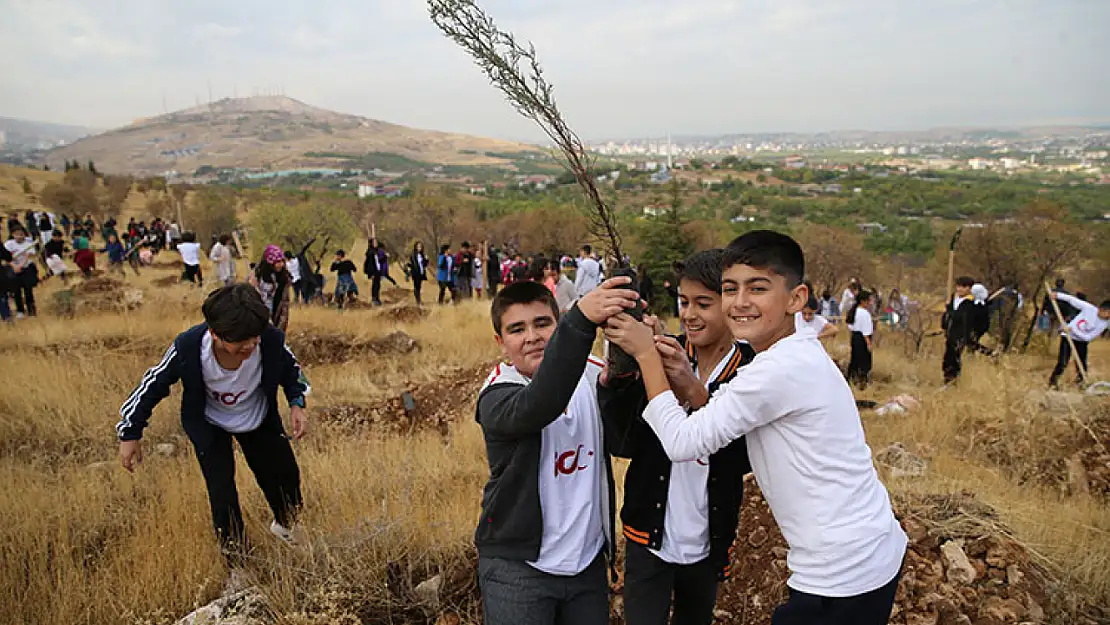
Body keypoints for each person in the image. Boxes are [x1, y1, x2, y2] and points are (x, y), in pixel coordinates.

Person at [604, 230, 907, 625]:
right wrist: (688, 385)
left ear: (796, 299)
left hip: (843, 573)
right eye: (731, 289)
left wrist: (645, 354)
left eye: (758, 288)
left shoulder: (775, 370)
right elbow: (724, 418)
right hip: (862, 555)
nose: (741, 302)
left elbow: (682, 442)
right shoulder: (793, 354)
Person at [599, 249, 756, 625]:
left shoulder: (752, 372)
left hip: (707, 541)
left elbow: (744, 459)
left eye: (704, 303)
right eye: (683, 302)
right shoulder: (662, 354)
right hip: (647, 537)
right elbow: (623, 442)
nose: (689, 314)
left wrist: (692, 389)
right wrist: (622, 373)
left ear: (732, 304)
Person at [474, 278, 639, 625]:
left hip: (586, 565)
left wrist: (626, 373)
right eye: (517, 329)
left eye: (542, 323)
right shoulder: (497, 396)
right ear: (500, 342)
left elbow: (626, 442)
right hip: (518, 570)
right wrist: (580, 322)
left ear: (556, 322)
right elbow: (540, 404)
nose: (532, 336)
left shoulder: (594, 375)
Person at [116, 284, 310, 567]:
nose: (249, 346)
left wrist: (296, 402)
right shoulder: (189, 347)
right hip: (210, 424)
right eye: (241, 341)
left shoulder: (269, 340)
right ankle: (238, 564)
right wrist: (130, 432)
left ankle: (286, 526)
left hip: (257, 418)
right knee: (222, 493)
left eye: (254, 339)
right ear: (215, 333)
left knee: (286, 478)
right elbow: (152, 385)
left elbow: (293, 371)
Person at [1047, 291, 1110, 388]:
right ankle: (1053, 383)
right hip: (1067, 337)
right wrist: (1058, 295)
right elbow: (1072, 300)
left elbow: (1088, 337)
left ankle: (1081, 384)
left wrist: (1072, 330)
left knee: (1081, 364)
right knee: (1063, 362)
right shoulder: (1089, 308)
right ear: (1103, 310)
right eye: (1108, 313)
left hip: (1081, 341)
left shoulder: (1105, 323)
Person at [250, 245, 292, 333]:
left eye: (281, 261)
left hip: (275, 314)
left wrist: (281, 324)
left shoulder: (283, 278)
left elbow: (284, 302)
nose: (281, 264)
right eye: (277, 262)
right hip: (258, 314)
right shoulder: (258, 275)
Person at [942, 277, 976, 384]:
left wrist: (950, 311)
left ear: (969, 288)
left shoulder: (970, 302)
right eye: (958, 286)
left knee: (954, 357)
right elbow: (947, 315)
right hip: (950, 332)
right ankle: (947, 378)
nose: (960, 289)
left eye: (963, 287)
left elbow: (960, 316)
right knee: (947, 356)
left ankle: (952, 380)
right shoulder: (953, 297)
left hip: (961, 333)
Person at [4, 226, 38, 318]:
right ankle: (20, 310)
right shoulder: (9, 244)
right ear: (13, 235)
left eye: (21, 234)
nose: (19, 236)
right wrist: (14, 266)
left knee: (28, 290)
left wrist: (20, 266)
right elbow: (6, 257)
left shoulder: (29, 244)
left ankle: (31, 311)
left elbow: (28, 257)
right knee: (16, 291)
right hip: (13, 269)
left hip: (26, 268)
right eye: (17, 234)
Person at [846, 290, 875, 388]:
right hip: (862, 339)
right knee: (864, 361)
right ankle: (862, 381)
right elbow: (866, 331)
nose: (870, 303)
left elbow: (850, 326)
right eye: (868, 301)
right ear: (863, 301)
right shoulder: (864, 313)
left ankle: (851, 378)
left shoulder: (854, 311)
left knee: (855, 359)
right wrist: (869, 344)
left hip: (854, 337)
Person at [407, 241, 431, 306]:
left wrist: (426, 260)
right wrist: (409, 270)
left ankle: (419, 300)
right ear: (416, 247)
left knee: (419, 287)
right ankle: (418, 301)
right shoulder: (413, 254)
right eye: (418, 246)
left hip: (421, 272)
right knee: (416, 286)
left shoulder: (422, 255)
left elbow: (425, 265)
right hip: (415, 272)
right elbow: (411, 264)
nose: (419, 248)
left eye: (420, 246)